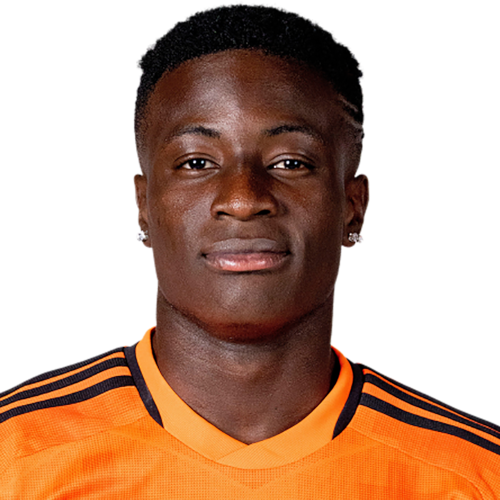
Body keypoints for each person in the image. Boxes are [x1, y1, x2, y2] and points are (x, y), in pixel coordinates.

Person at [1, 2, 498, 498]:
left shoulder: (474, 476)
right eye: (197, 162)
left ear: (353, 206)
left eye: (291, 163)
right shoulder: (16, 458)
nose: (242, 199)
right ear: (143, 206)